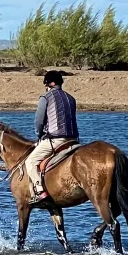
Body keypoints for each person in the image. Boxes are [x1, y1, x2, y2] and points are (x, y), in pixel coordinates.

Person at [24, 70, 79, 204]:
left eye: (46, 85)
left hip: (55, 140)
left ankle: (40, 191)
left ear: (51, 84)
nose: (46, 88)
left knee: (30, 162)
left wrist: (39, 135)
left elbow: (39, 121)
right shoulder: (71, 98)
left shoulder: (46, 97)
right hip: (73, 141)